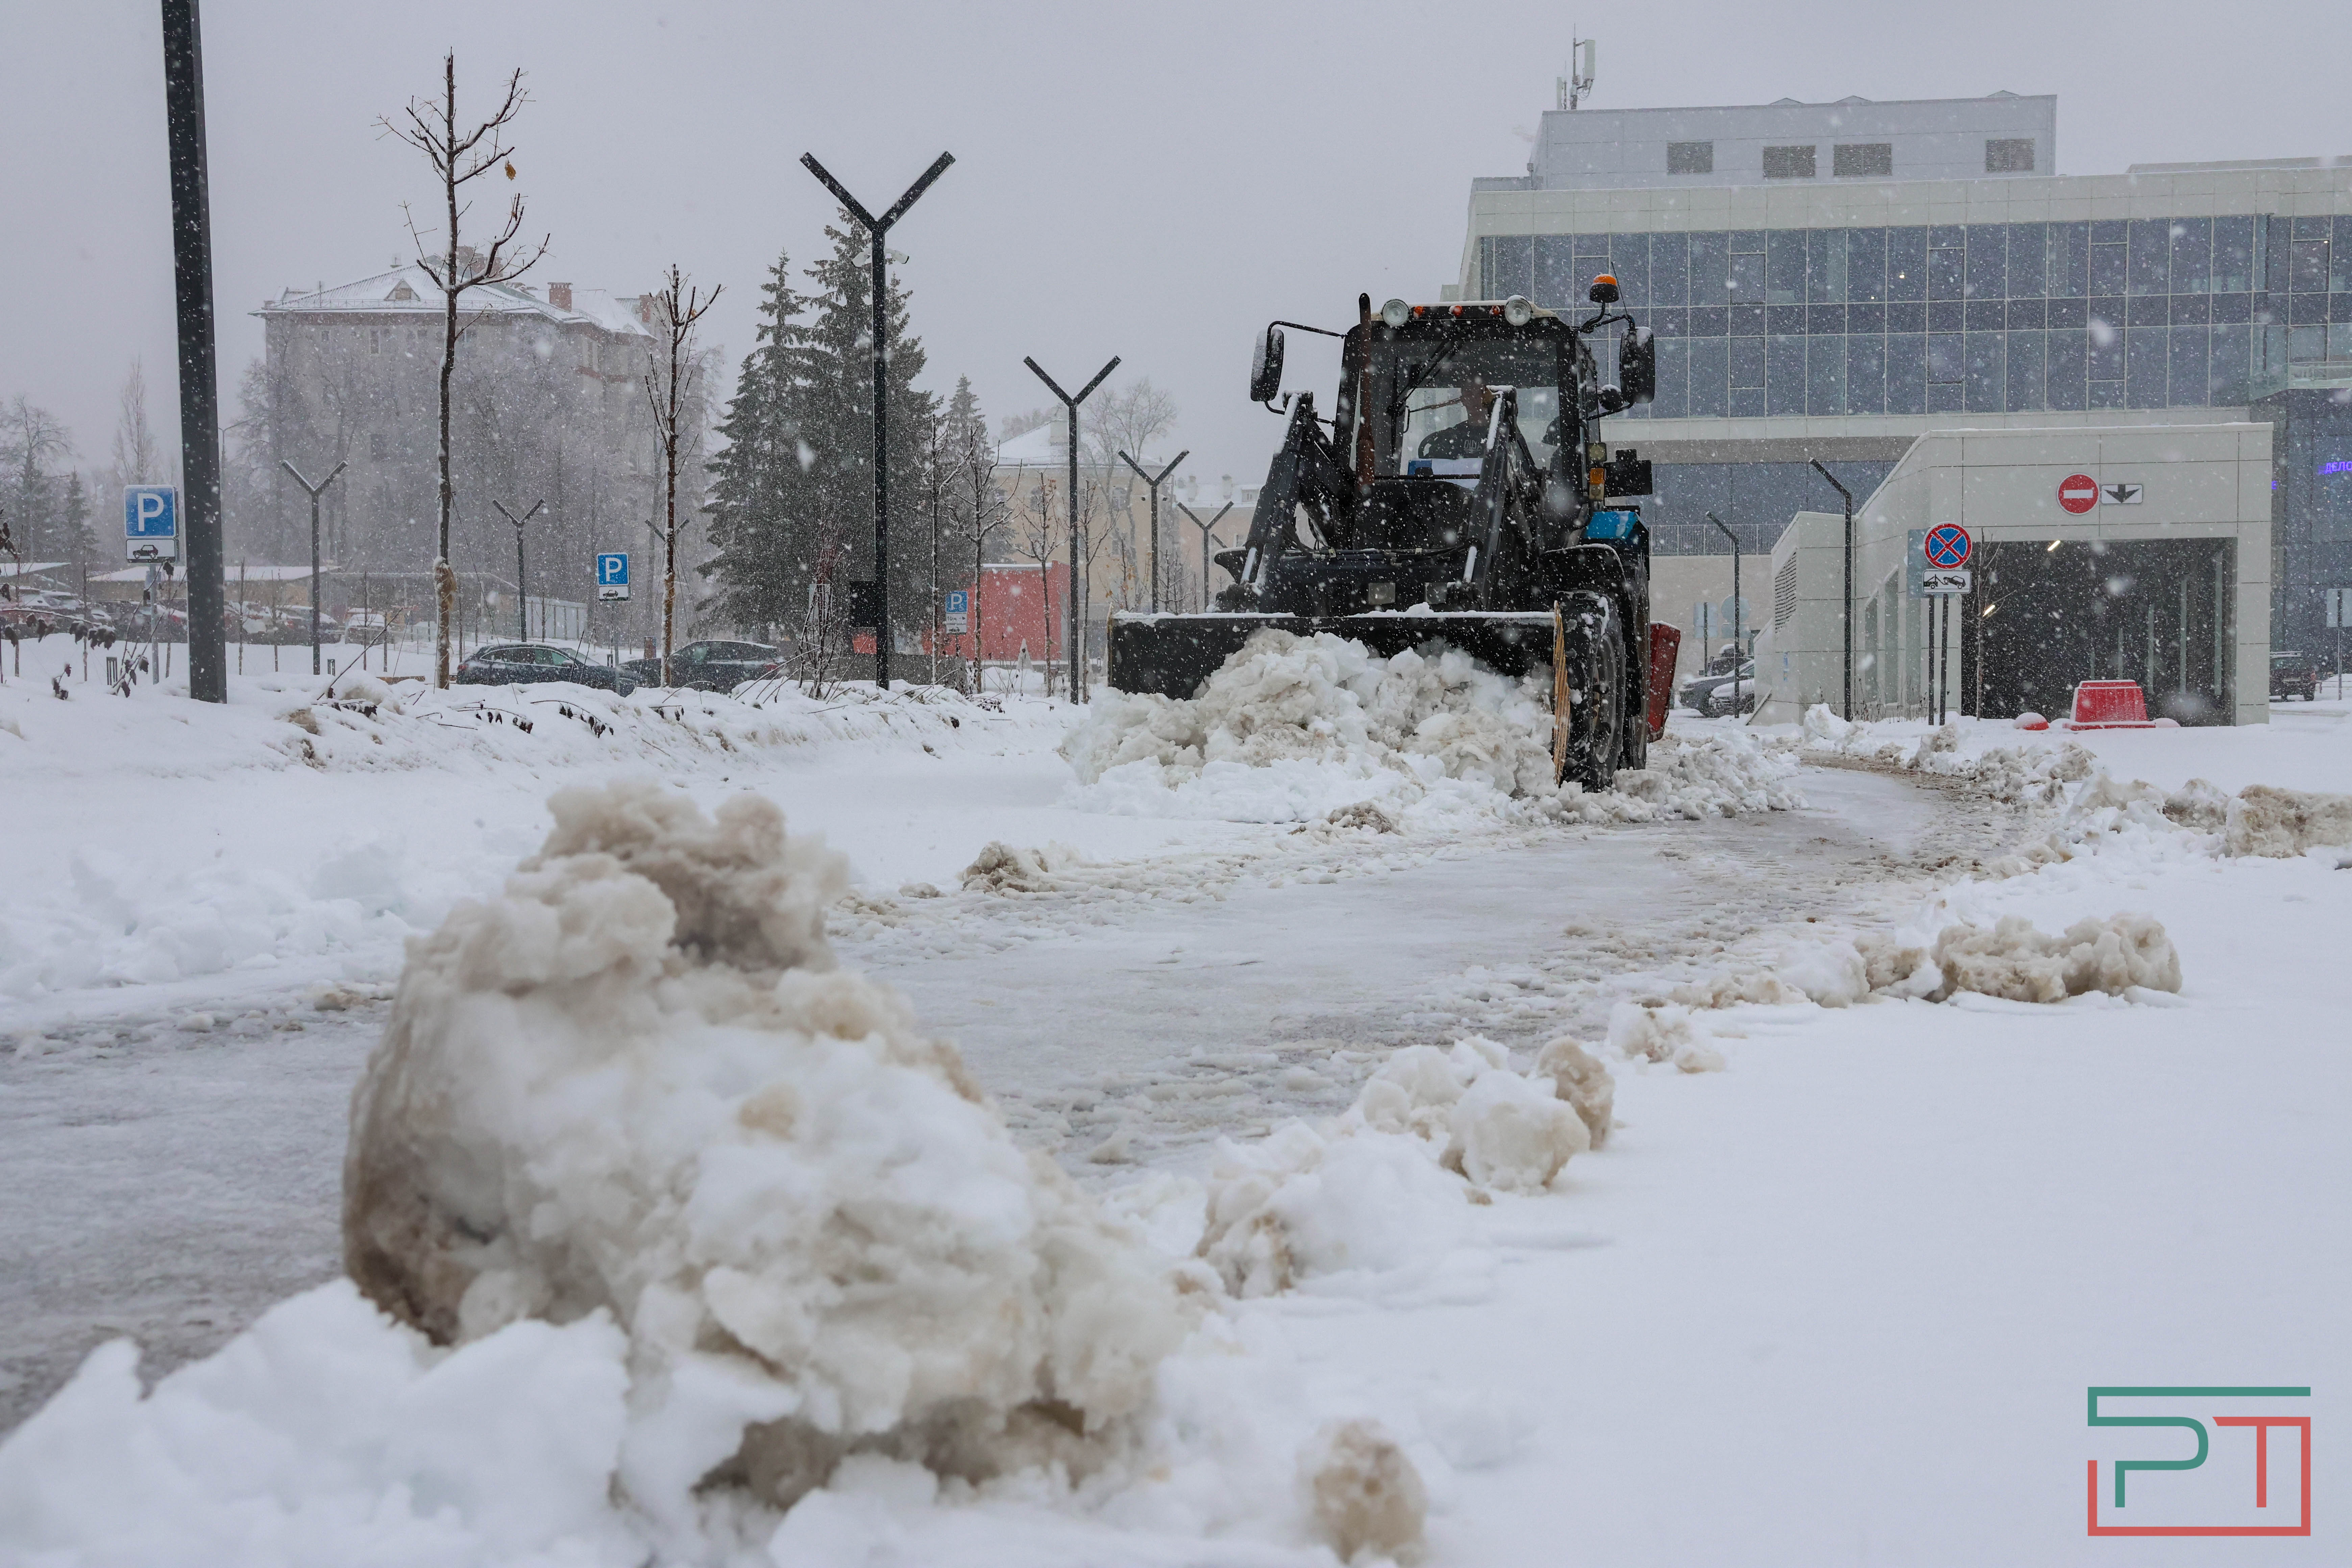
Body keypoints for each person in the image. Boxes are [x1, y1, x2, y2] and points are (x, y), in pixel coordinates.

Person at [1416, 379, 1495, 460]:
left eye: (1480, 394)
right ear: (1463, 400)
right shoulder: (1450, 437)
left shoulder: (1499, 435)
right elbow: (1434, 463)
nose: (1474, 399)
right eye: (1469, 394)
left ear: (1488, 399)